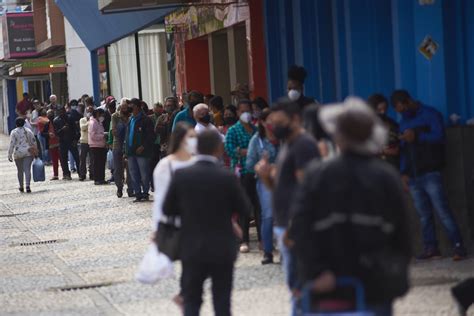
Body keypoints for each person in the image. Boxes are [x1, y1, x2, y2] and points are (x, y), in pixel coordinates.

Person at [289, 98, 411, 316]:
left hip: (329, 282)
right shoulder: (386, 177)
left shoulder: (317, 175)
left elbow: (300, 228)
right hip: (376, 282)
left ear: (337, 135)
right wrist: (396, 276)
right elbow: (402, 234)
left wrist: (315, 271)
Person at [162, 130, 251, 316]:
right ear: (219, 149)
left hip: (192, 246)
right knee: (222, 299)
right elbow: (244, 208)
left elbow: (167, 209)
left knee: (192, 299)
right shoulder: (227, 177)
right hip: (222, 245)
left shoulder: (182, 175)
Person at [255, 99, 320, 314]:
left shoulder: (304, 145)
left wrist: (294, 226)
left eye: (279, 121)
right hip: (285, 222)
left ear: (295, 119)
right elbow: (280, 188)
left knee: (301, 284)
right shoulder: (287, 145)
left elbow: (307, 189)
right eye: (272, 122)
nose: (274, 126)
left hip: (296, 225)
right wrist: (266, 177)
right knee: (295, 285)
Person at [391, 90, 467, 261]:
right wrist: (403, 172)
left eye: (403, 108)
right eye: (399, 111)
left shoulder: (430, 114)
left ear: (409, 101)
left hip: (431, 173)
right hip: (413, 177)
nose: (402, 113)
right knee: (424, 215)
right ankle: (431, 248)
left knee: (443, 211)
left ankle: (458, 247)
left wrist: (417, 136)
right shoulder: (403, 123)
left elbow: (439, 136)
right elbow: (403, 151)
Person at [224, 99, 260, 253]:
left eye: (248, 110)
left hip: (257, 172)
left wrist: (247, 151)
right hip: (242, 172)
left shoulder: (256, 129)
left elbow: (261, 147)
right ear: (238, 112)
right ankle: (244, 239)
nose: (246, 113)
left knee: (259, 206)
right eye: (243, 110)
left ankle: (262, 239)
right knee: (244, 206)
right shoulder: (233, 131)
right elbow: (230, 150)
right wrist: (244, 152)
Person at [246, 109, 278, 265]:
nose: (272, 124)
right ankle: (268, 251)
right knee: (268, 214)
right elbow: (249, 165)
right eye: (269, 120)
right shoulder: (256, 140)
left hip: (284, 180)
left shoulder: (284, 138)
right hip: (265, 180)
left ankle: (286, 248)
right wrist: (263, 166)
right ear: (263, 122)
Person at [151, 122, 196, 230]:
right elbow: (161, 199)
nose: (194, 141)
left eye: (195, 137)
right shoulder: (165, 166)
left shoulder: (197, 162)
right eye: (190, 137)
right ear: (180, 140)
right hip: (176, 223)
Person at [125, 98, 154, 202]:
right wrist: (126, 151)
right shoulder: (130, 119)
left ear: (137, 106)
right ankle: (137, 193)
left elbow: (151, 136)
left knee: (144, 173)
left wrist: (143, 146)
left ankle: (145, 192)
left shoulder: (146, 120)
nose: (130, 108)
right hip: (131, 152)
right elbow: (127, 136)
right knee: (133, 173)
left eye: (132, 106)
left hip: (142, 152)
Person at [367, 93, 400, 169]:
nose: (383, 112)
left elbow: (398, 143)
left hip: (392, 167)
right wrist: (384, 151)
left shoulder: (393, 124)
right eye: (379, 110)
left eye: (385, 109)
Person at [8, 117, 38, 193]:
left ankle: (21, 186)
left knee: (20, 171)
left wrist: (9, 154)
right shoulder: (28, 131)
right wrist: (35, 151)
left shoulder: (13, 132)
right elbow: (34, 141)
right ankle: (28, 186)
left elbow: (11, 144)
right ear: (24, 123)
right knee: (27, 169)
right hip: (28, 152)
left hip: (18, 153)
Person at [111, 100, 132, 197]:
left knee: (130, 168)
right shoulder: (115, 116)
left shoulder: (131, 116)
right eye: (123, 106)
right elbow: (114, 131)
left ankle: (130, 188)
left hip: (129, 144)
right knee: (118, 169)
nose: (124, 108)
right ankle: (119, 187)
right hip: (118, 145)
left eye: (126, 107)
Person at [53, 106, 80, 180]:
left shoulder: (70, 118)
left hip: (71, 140)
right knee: (63, 159)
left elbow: (76, 129)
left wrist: (76, 139)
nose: (61, 113)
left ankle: (80, 172)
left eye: (62, 111)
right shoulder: (56, 120)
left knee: (77, 157)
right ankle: (66, 174)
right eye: (60, 111)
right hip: (62, 141)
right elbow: (56, 133)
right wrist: (62, 129)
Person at [88, 108, 107, 185]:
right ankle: (97, 179)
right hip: (95, 146)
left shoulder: (99, 122)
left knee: (102, 163)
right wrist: (103, 135)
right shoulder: (93, 123)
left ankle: (102, 178)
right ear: (97, 114)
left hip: (101, 145)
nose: (102, 116)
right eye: (101, 114)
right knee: (97, 163)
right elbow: (93, 135)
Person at [149, 102, 164, 191]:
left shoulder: (165, 117)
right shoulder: (150, 118)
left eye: (160, 109)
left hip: (162, 143)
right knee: (153, 165)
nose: (158, 111)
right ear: (154, 109)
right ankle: (154, 184)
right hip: (154, 144)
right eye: (156, 109)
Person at [42, 110, 61, 180]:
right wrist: (48, 134)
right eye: (49, 114)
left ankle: (66, 173)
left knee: (62, 159)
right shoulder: (47, 124)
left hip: (59, 143)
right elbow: (43, 133)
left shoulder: (57, 122)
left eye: (51, 114)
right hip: (51, 144)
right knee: (54, 160)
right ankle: (56, 175)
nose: (50, 116)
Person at [79, 106, 93, 181]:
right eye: (88, 111)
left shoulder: (94, 120)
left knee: (92, 159)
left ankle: (92, 173)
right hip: (84, 141)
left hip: (91, 142)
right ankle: (82, 174)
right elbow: (82, 128)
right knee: (82, 159)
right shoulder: (82, 120)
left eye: (90, 111)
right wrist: (89, 122)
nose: (89, 113)